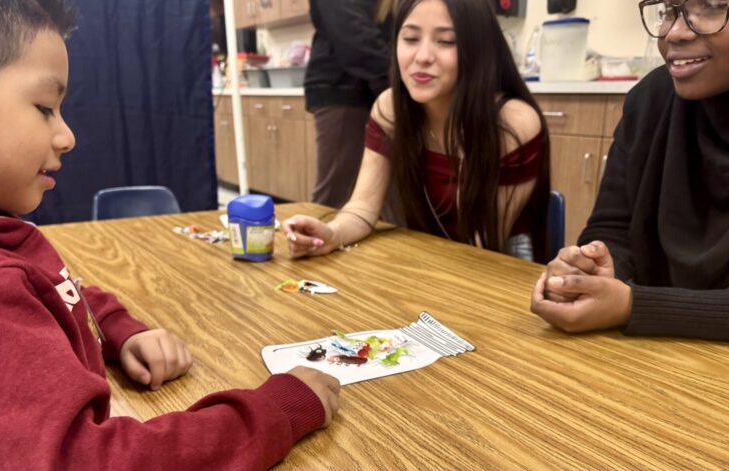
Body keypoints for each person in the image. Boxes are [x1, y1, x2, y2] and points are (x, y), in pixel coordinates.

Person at [0, 1, 340, 469]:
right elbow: (85, 460)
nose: (66, 136)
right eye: (44, 108)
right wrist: (274, 412)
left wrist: (117, 330)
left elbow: (55, 291)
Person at [285, 0, 551, 262]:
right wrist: (331, 233)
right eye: (411, 39)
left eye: (446, 41)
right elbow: (363, 208)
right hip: (431, 251)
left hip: (498, 259)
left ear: (478, 49)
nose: (422, 57)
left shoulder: (512, 122)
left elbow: (481, 245)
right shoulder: (390, 109)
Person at [531, 0, 729, 341]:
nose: (673, 32)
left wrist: (633, 306)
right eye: (669, 9)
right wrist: (596, 270)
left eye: (712, 6)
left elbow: (632, 305)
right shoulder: (649, 100)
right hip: (646, 354)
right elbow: (613, 228)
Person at [305, 0, 395, 211]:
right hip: (346, 88)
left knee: (386, 196)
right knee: (335, 197)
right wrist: (395, 83)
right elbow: (353, 34)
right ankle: (313, 241)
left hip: (369, 87)